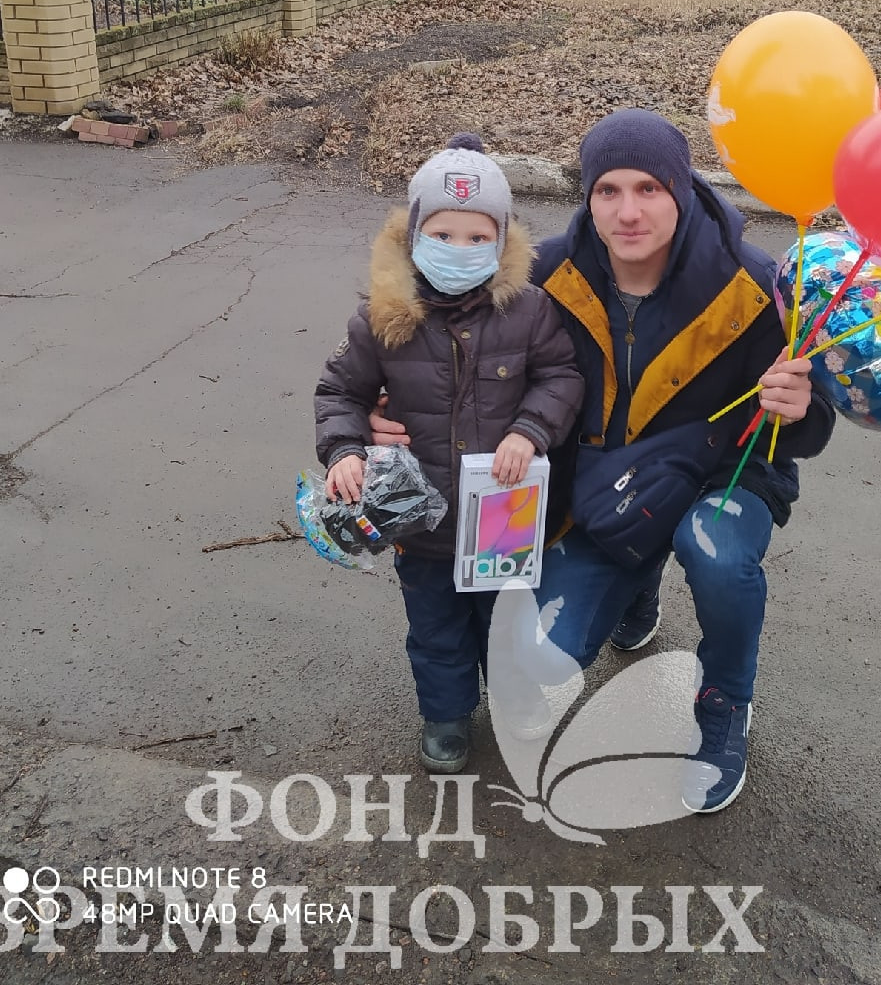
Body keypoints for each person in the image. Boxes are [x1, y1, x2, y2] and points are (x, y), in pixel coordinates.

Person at [370, 110, 836, 813]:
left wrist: (798, 410)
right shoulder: (551, 273)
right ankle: (635, 583)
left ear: (683, 189)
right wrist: (390, 402)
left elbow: (813, 427)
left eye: (649, 188)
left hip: (723, 475)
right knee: (537, 656)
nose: (627, 211)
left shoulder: (753, 283)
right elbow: (447, 338)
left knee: (712, 551)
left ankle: (724, 703)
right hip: (604, 490)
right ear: (585, 196)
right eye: (607, 190)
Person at [314, 134, 583, 775]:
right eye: (443, 234)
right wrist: (345, 451)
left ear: (502, 241)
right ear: (413, 237)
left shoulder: (530, 311)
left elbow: (561, 378)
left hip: (504, 512)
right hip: (421, 517)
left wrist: (529, 431)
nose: (459, 250)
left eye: (476, 237)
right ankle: (446, 715)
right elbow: (340, 392)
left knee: (508, 623)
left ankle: (516, 705)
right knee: (435, 626)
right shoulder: (382, 318)